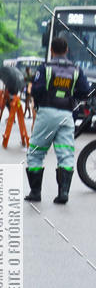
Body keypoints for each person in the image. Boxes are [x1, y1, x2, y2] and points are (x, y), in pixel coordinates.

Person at [25, 36, 89, 204]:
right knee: (65, 153)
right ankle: (63, 194)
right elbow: (84, 92)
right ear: (66, 50)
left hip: (46, 112)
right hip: (67, 115)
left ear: (51, 50)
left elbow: (36, 90)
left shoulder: (45, 68)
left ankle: (35, 192)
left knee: (36, 152)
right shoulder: (76, 69)